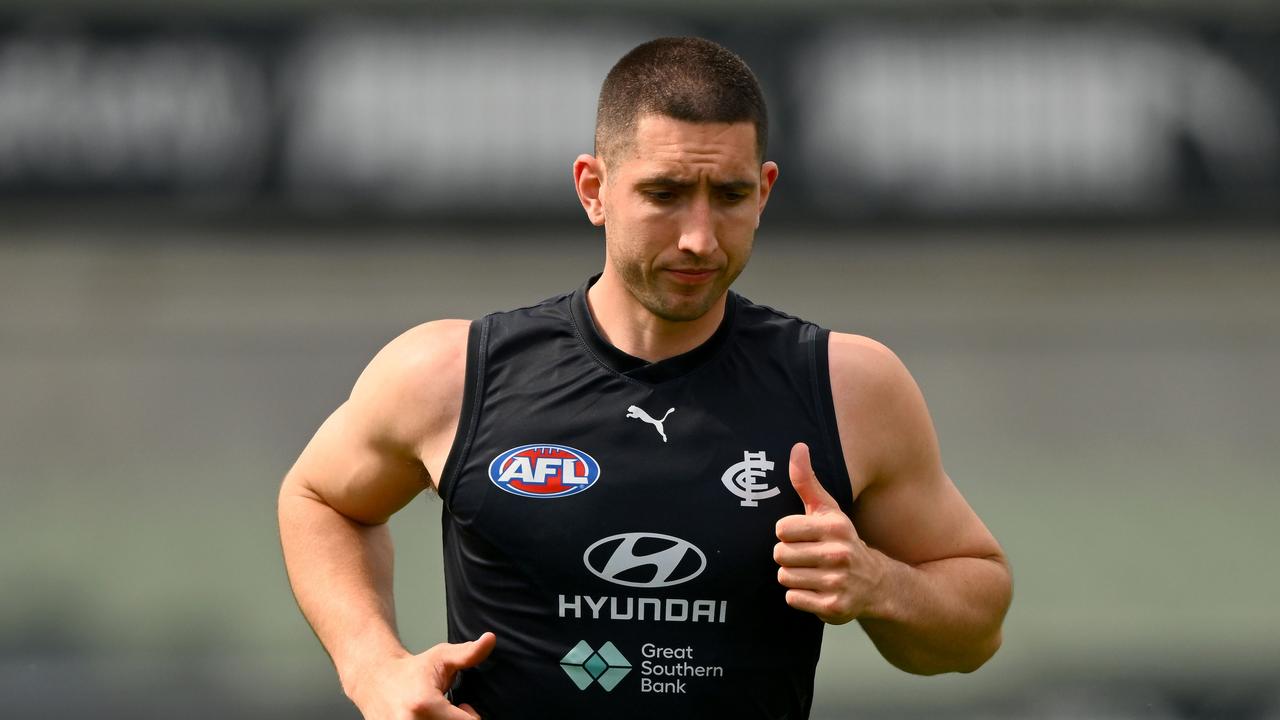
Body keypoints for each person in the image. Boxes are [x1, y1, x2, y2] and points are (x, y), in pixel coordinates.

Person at [278, 36, 1011, 720]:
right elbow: (319, 499)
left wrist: (879, 585)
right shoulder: (451, 372)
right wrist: (373, 666)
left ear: (764, 191)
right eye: (663, 194)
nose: (698, 237)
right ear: (593, 188)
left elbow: (975, 626)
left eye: (728, 196)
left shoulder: (848, 387)